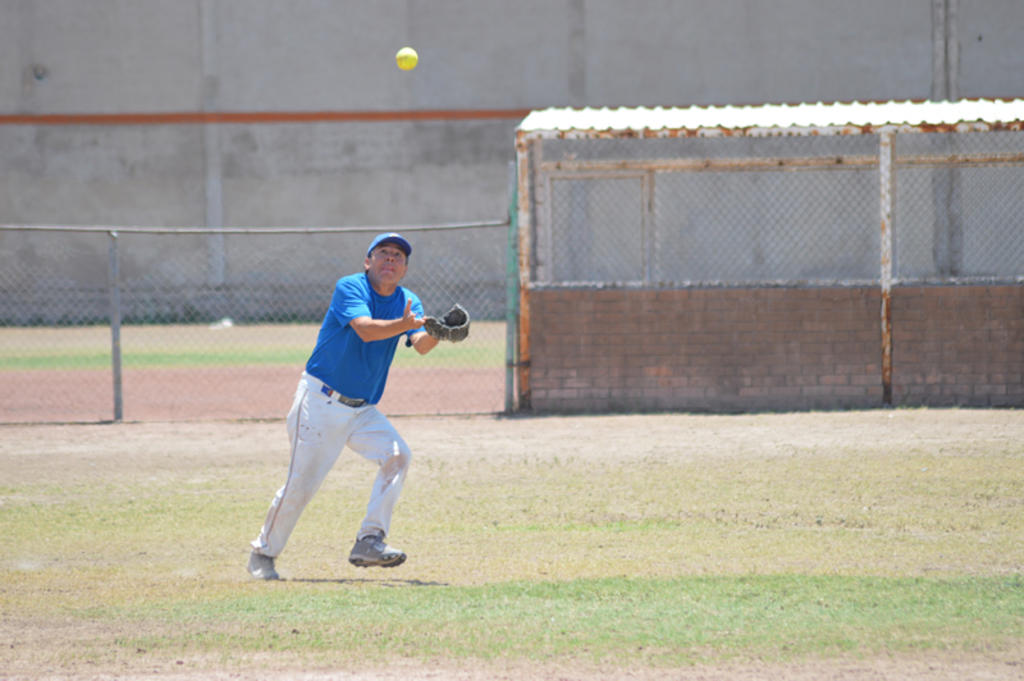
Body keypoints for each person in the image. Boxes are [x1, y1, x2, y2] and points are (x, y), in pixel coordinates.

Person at [247, 232, 440, 580]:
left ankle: (370, 540)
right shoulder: (350, 287)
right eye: (383, 253)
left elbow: (421, 343)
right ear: (368, 262)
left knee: (397, 456)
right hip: (321, 401)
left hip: (362, 409)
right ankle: (263, 553)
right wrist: (405, 325)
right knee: (301, 485)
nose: (390, 260)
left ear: (405, 269)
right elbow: (365, 330)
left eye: (398, 256)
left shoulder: (408, 301)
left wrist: (443, 332)